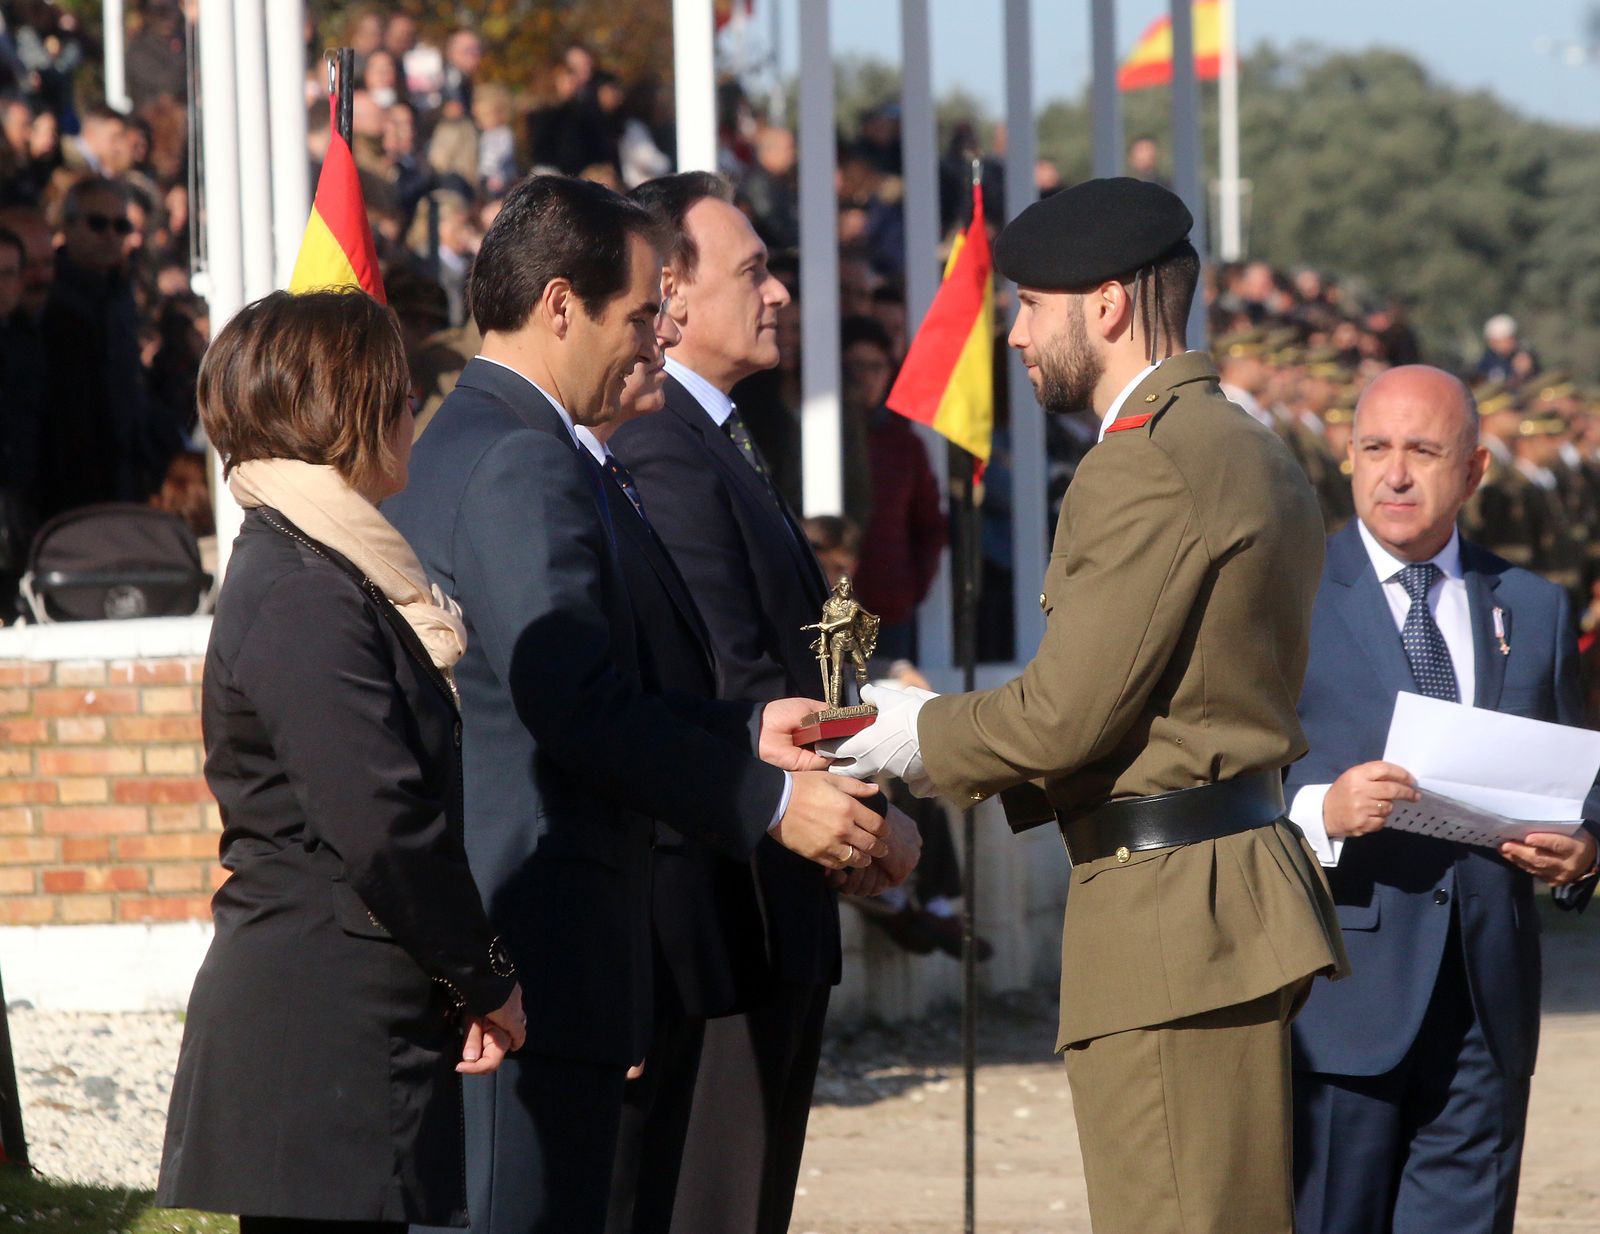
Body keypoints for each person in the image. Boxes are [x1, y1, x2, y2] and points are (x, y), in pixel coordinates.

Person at [821, 177, 1348, 1234]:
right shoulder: (1241, 442)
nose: (1015, 335)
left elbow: (1064, 717)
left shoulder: (1146, 463)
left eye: (1028, 305)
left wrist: (904, 732)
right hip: (1215, 894)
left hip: (1168, 918)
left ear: (1103, 305)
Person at [381, 175, 896, 1234]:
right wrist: (760, 797)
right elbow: (570, 701)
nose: (647, 343)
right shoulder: (523, 457)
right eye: (631, 318)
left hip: (527, 948)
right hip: (540, 944)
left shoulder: (492, 439)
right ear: (559, 304)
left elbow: (593, 686)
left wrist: (741, 727)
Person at [155, 289, 527, 1234]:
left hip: (349, 1025)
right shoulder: (303, 588)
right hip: (314, 1035)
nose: (415, 412)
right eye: (399, 393)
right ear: (342, 409)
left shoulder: (331, 568)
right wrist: (485, 975)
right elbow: (379, 819)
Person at [608, 171, 869, 1234]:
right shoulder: (660, 441)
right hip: (722, 906)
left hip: (771, 897)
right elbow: (730, 670)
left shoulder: (718, 437)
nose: (778, 295)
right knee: (707, 1203)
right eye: (753, 271)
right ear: (668, 295)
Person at [1284, 366, 1600, 1234]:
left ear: (1475, 469)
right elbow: (1218, 778)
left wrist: (1587, 849)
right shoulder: (1285, 599)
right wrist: (1321, 813)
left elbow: (1580, 767)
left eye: (1424, 452)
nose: (1396, 474)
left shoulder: (1532, 607)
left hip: (1484, 1010)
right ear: (1346, 459)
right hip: (1340, 1002)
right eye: (1376, 449)